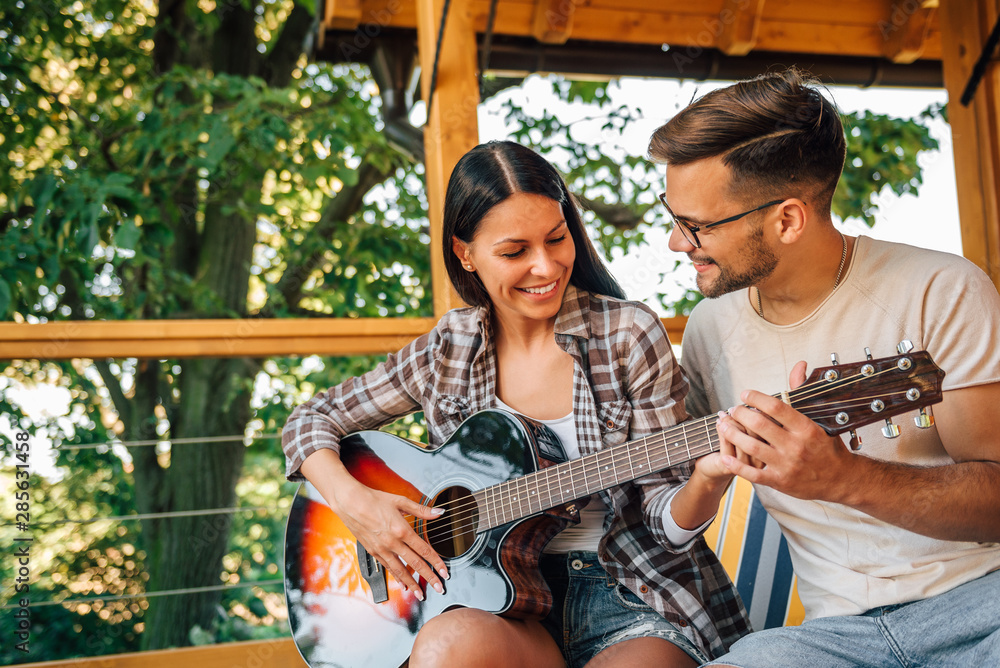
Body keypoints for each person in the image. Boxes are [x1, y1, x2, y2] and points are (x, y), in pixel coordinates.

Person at [282, 140, 751, 667]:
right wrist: (357, 504)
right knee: (442, 653)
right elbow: (308, 420)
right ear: (465, 253)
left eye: (557, 239)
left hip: (627, 594)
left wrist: (708, 478)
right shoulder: (449, 348)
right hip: (490, 602)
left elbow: (664, 522)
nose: (546, 266)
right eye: (514, 252)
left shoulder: (626, 333)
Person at [647, 68, 1000, 667]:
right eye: (672, 213)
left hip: (980, 603)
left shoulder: (940, 289)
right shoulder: (709, 328)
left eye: (698, 225)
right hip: (835, 637)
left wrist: (844, 477)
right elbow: (675, 503)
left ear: (787, 219)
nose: (677, 243)